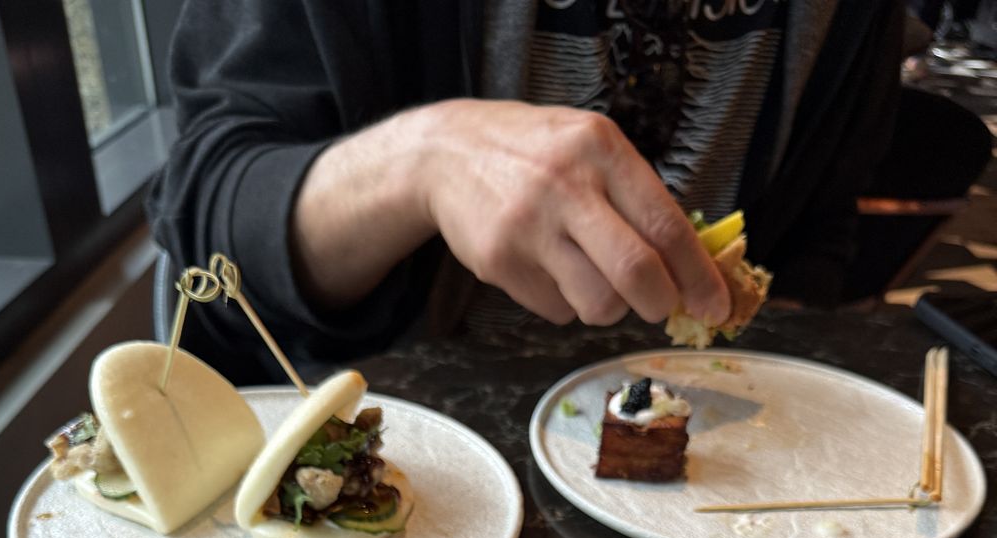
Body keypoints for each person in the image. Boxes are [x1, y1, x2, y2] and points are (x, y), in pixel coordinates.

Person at [149, 0, 905, 382]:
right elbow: (209, 225)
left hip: (715, 452)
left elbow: (818, 228)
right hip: (423, 466)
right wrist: (422, 160)